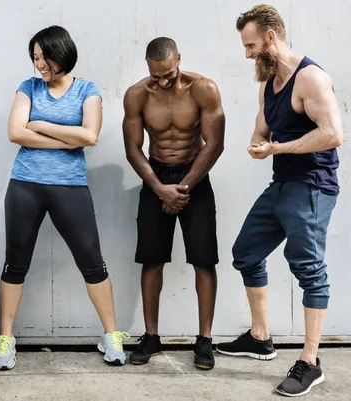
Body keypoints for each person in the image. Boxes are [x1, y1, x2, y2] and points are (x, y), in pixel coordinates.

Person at [215, 5, 343, 397]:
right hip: (283, 184)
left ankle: (310, 361)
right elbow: (262, 127)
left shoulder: (312, 79)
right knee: (246, 253)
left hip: (312, 186)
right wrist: (258, 144)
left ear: (271, 37)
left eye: (251, 44)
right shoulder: (268, 83)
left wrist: (278, 148)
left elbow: (332, 134)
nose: (248, 53)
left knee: (308, 269)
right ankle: (260, 337)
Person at [0, 25, 127, 370]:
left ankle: (111, 335)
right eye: (35, 58)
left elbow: (90, 134)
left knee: (92, 262)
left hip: (70, 187)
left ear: (61, 53)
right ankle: (6, 339)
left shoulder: (87, 89)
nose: (39, 64)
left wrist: (38, 124)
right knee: (15, 262)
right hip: (24, 185)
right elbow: (14, 132)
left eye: (43, 57)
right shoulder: (28, 87)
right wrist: (69, 139)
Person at [123, 37, 225, 370]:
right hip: (155, 176)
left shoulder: (203, 89)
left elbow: (214, 145)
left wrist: (180, 189)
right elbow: (134, 149)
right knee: (151, 259)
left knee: (203, 259)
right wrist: (159, 188)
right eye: (156, 74)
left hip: (194, 176)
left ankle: (205, 340)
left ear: (179, 59)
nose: (162, 81)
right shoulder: (138, 94)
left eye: (168, 74)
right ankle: (151, 336)